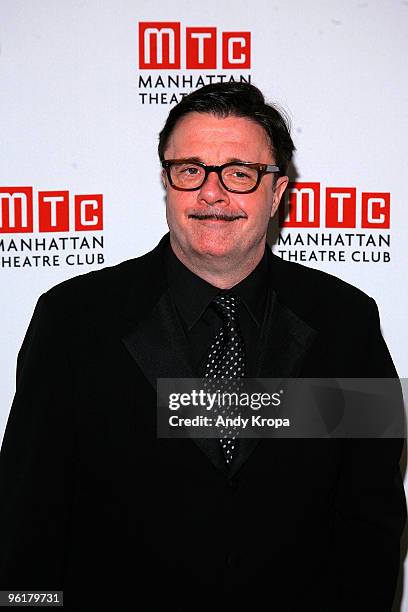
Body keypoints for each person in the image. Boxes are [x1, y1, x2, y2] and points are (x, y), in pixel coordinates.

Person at [0, 82, 405, 611]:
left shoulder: (344, 321)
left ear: (278, 192)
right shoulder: (74, 319)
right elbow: (26, 517)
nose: (212, 193)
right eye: (190, 170)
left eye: (239, 172)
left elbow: (369, 522)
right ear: (167, 182)